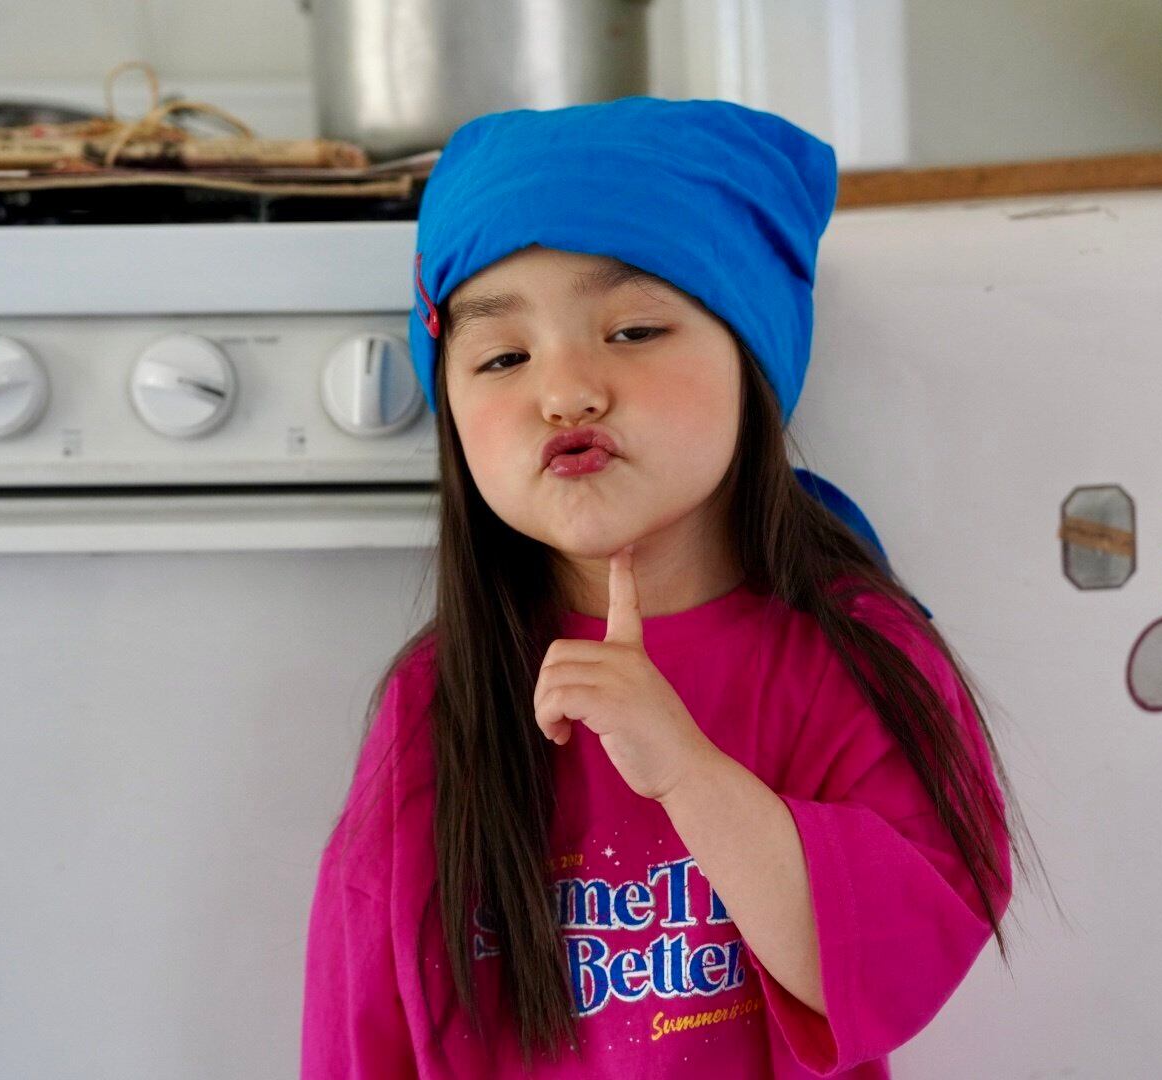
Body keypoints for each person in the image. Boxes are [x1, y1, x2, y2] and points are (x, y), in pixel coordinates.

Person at [300, 95, 1033, 1078]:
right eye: (503, 356)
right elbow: (359, 1026)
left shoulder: (850, 652)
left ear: (750, 358)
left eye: (634, 331)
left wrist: (686, 772)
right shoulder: (437, 701)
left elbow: (899, 966)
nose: (565, 390)